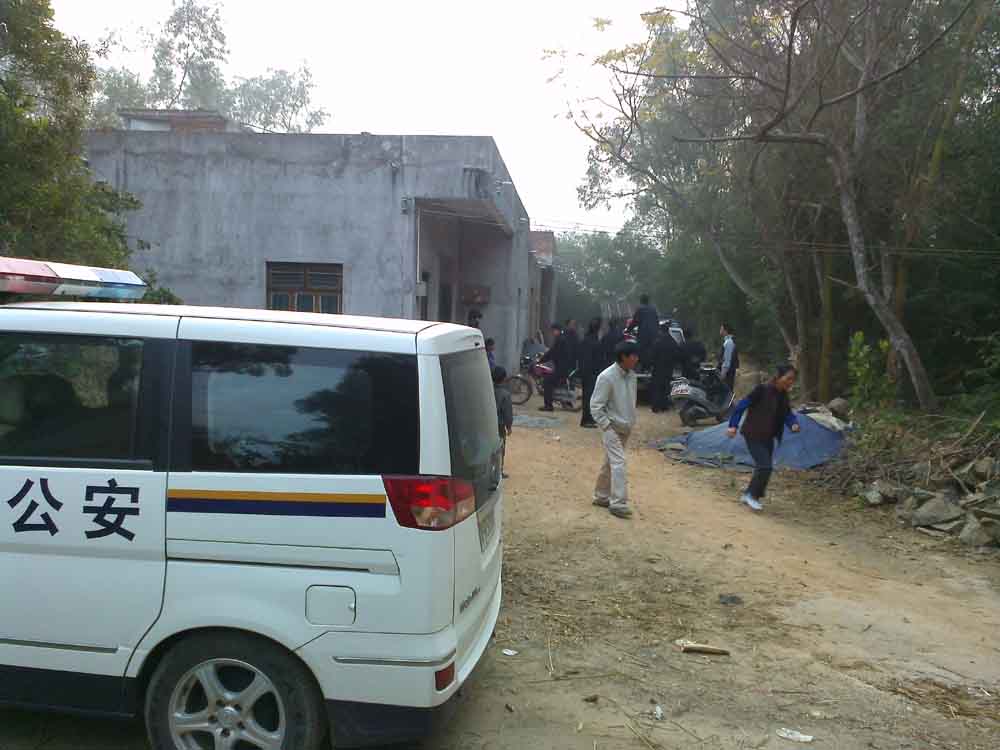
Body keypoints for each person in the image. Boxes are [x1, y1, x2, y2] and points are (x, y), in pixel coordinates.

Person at [726, 364, 801, 512]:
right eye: (788, 378)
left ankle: (749, 494)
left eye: (793, 379)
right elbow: (741, 406)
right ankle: (752, 496)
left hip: (768, 436)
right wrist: (733, 425)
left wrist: (793, 423)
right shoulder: (761, 390)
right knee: (765, 466)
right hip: (753, 434)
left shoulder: (783, 396)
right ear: (778, 377)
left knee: (763, 467)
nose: (791, 382)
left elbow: (787, 413)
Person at [591, 340, 640, 519]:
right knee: (619, 462)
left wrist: (631, 421)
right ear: (623, 357)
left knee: (609, 463)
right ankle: (618, 503)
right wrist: (606, 426)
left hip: (625, 426)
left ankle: (601, 496)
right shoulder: (606, 377)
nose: (636, 359)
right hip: (611, 427)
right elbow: (596, 406)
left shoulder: (632, 376)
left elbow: (631, 401)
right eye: (633, 356)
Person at [539, 322, 572, 412]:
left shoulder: (560, 340)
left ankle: (548, 406)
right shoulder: (562, 338)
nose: (552, 333)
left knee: (547, 382)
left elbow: (552, 352)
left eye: (553, 330)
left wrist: (541, 360)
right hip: (563, 366)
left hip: (561, 368)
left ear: (557, 330)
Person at [650, 321, 682, 413]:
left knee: (657, 387)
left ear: (661, 331)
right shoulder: (672, 341)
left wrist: (651, 364)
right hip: (669, 368)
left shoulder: (657, 341)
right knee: (666, 387)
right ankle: (664, 406)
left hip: (658, 368)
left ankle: (656, 407)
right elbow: (677, 354)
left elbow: (652, 355)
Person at [578, 318, 603, 428]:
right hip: (591, 373)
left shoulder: (586, 339)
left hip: (587, 372)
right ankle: (586, 420)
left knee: (589, 397)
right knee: (589, 397)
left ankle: (589, 418)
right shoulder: (594, 341)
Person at [493, 366, 513, 479]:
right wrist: (509, 427)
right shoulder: (505, 394)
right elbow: (507, 413)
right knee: (500, 448)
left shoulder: (487, 390)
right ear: (504, 378)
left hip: (487, 424)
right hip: (499, 426)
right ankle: (498, 472)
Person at [633, 294, 659, 370]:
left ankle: (643, 367)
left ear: (641, 301)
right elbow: (657, 321)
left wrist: (628, 329)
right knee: (652, 350)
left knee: (640, 350)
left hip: (643, 334)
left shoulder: (640, 309)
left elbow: (635, 322)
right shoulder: (654, 309)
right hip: (654, 335)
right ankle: (650, 366)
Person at [719, 322, 739, 393]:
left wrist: (723, 373)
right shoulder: (728, 341)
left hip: (728, 372)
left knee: (726, 392)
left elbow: (727, 360)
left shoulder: (728, 342)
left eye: (721, 329)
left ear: (725, 331)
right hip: (729, 371)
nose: (720, 330)